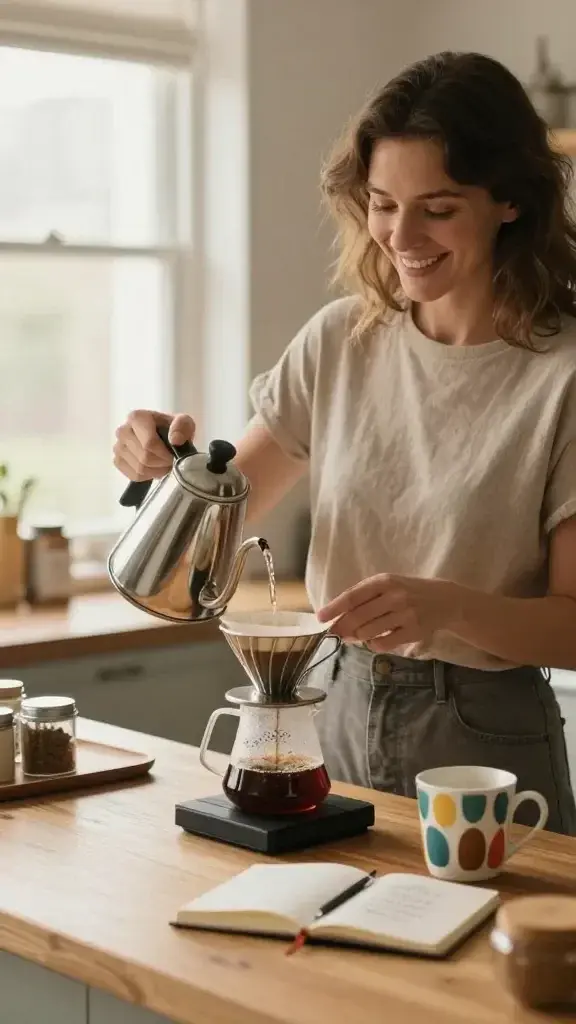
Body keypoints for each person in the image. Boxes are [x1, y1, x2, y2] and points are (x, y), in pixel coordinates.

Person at [114, 51, 576, 835]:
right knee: (325, 946)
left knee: (488, 953)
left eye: (437, 207)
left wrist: (452, 607)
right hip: (329, 702)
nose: (401, 235)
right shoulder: (342, 341)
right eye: (383, 203)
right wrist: (166, 466)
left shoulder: (562, 375)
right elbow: (217, 525)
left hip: (482, 732)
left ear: (508, 201)